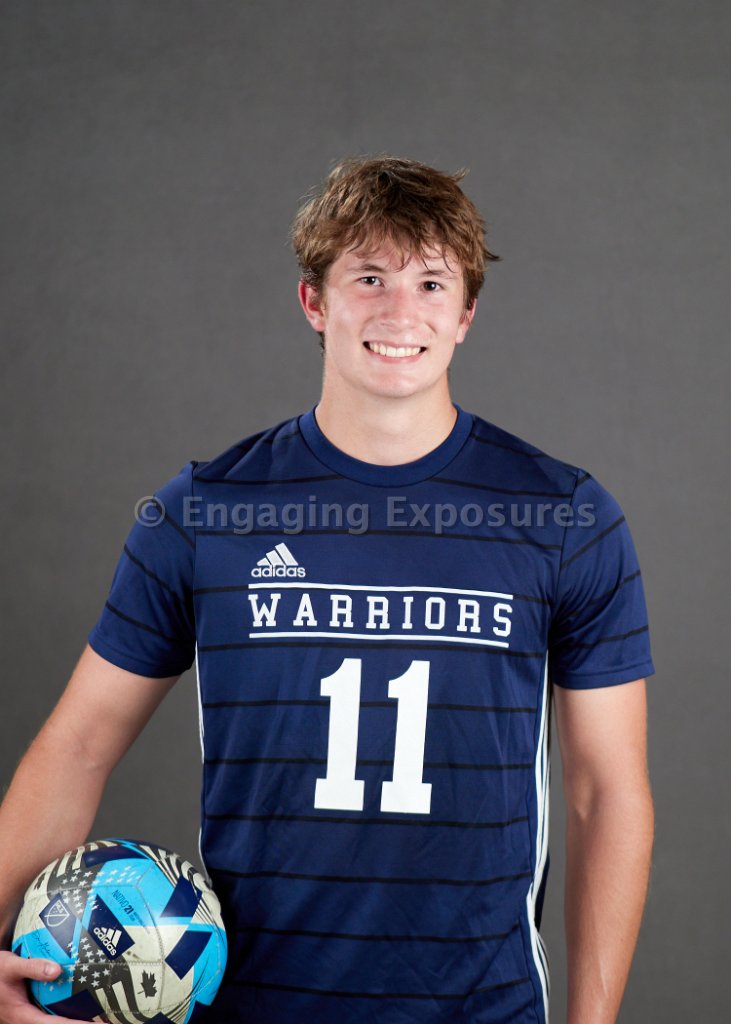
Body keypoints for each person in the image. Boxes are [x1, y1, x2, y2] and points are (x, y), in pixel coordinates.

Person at [0, 156, 655, 1024]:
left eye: (430, 283)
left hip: (483, 1010)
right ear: (314, 302)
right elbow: (79, 745)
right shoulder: (204, 511)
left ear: (465, 314)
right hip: (256, 1007)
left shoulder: (565, 516)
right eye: (369, 277)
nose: (399, 312)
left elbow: (604, 793)